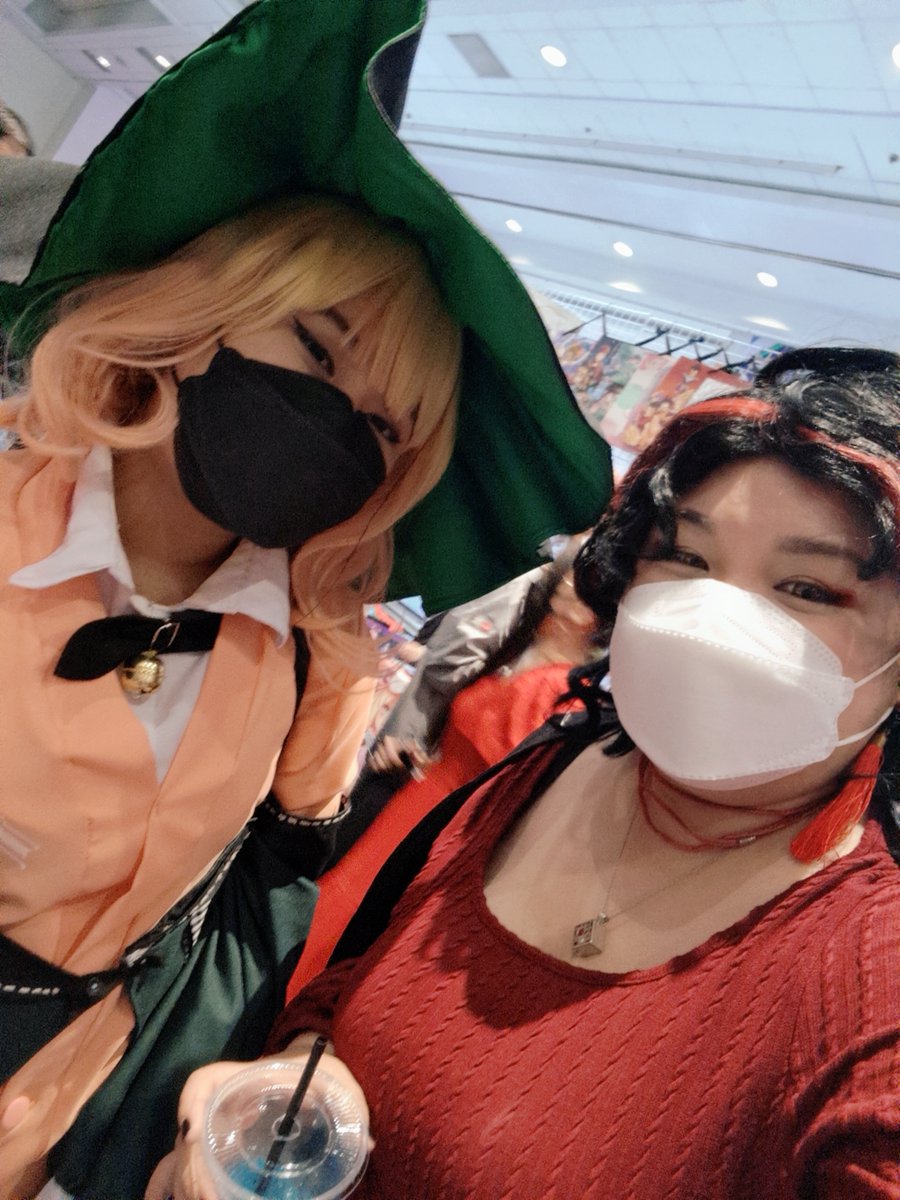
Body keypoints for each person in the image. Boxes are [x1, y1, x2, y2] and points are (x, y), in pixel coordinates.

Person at [0, 3, 611, 1196]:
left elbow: (247, 901)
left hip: (59, 1117)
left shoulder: (314, 661)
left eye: (383, 426)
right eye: (320, 351)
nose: (337, 424)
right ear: (202, 314)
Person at [155, 346, 899, 1200]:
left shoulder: (869, 985)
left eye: (808, 588)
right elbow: (357, 991)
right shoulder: (542, 770)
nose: (712, 619)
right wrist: (298, 1081)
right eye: (686, 559)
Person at [286, 554, 599, 994]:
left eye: (575, 582)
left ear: (587, 613)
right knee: (330, 907)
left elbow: (503, 783)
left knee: (341, 922)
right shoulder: (527, 651)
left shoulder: (560, 692)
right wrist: (421, 754)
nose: (562, 584)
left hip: (437, 835)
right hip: (409, 804)